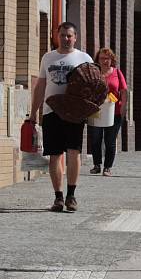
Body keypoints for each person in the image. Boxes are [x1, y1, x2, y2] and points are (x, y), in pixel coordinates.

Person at [29, 22, 93, 212]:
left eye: (69, 36)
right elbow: (40, 87)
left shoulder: (84, 58)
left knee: (73, 151)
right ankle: (58, 197)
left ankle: (71, 196)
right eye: (63, 35)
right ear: (57, 36)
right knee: (54, 155)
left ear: (75, 37)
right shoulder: (48, 58)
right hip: (52, 111)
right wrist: (33, 113)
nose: (66, 39)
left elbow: (95, 85)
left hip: (75, 112)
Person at [88, 48, 128, 177]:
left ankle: (107, 167)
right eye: (102, 58)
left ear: (112, 60)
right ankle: (97, 165)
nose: (105, 61)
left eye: (107, 58)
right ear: (97, 60)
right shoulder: (94, 72)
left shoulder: (117, 72)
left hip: (114, 111)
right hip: (96, 111)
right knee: (95, 139)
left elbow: (123, 91)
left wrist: (123, 107)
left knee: (110, 141)